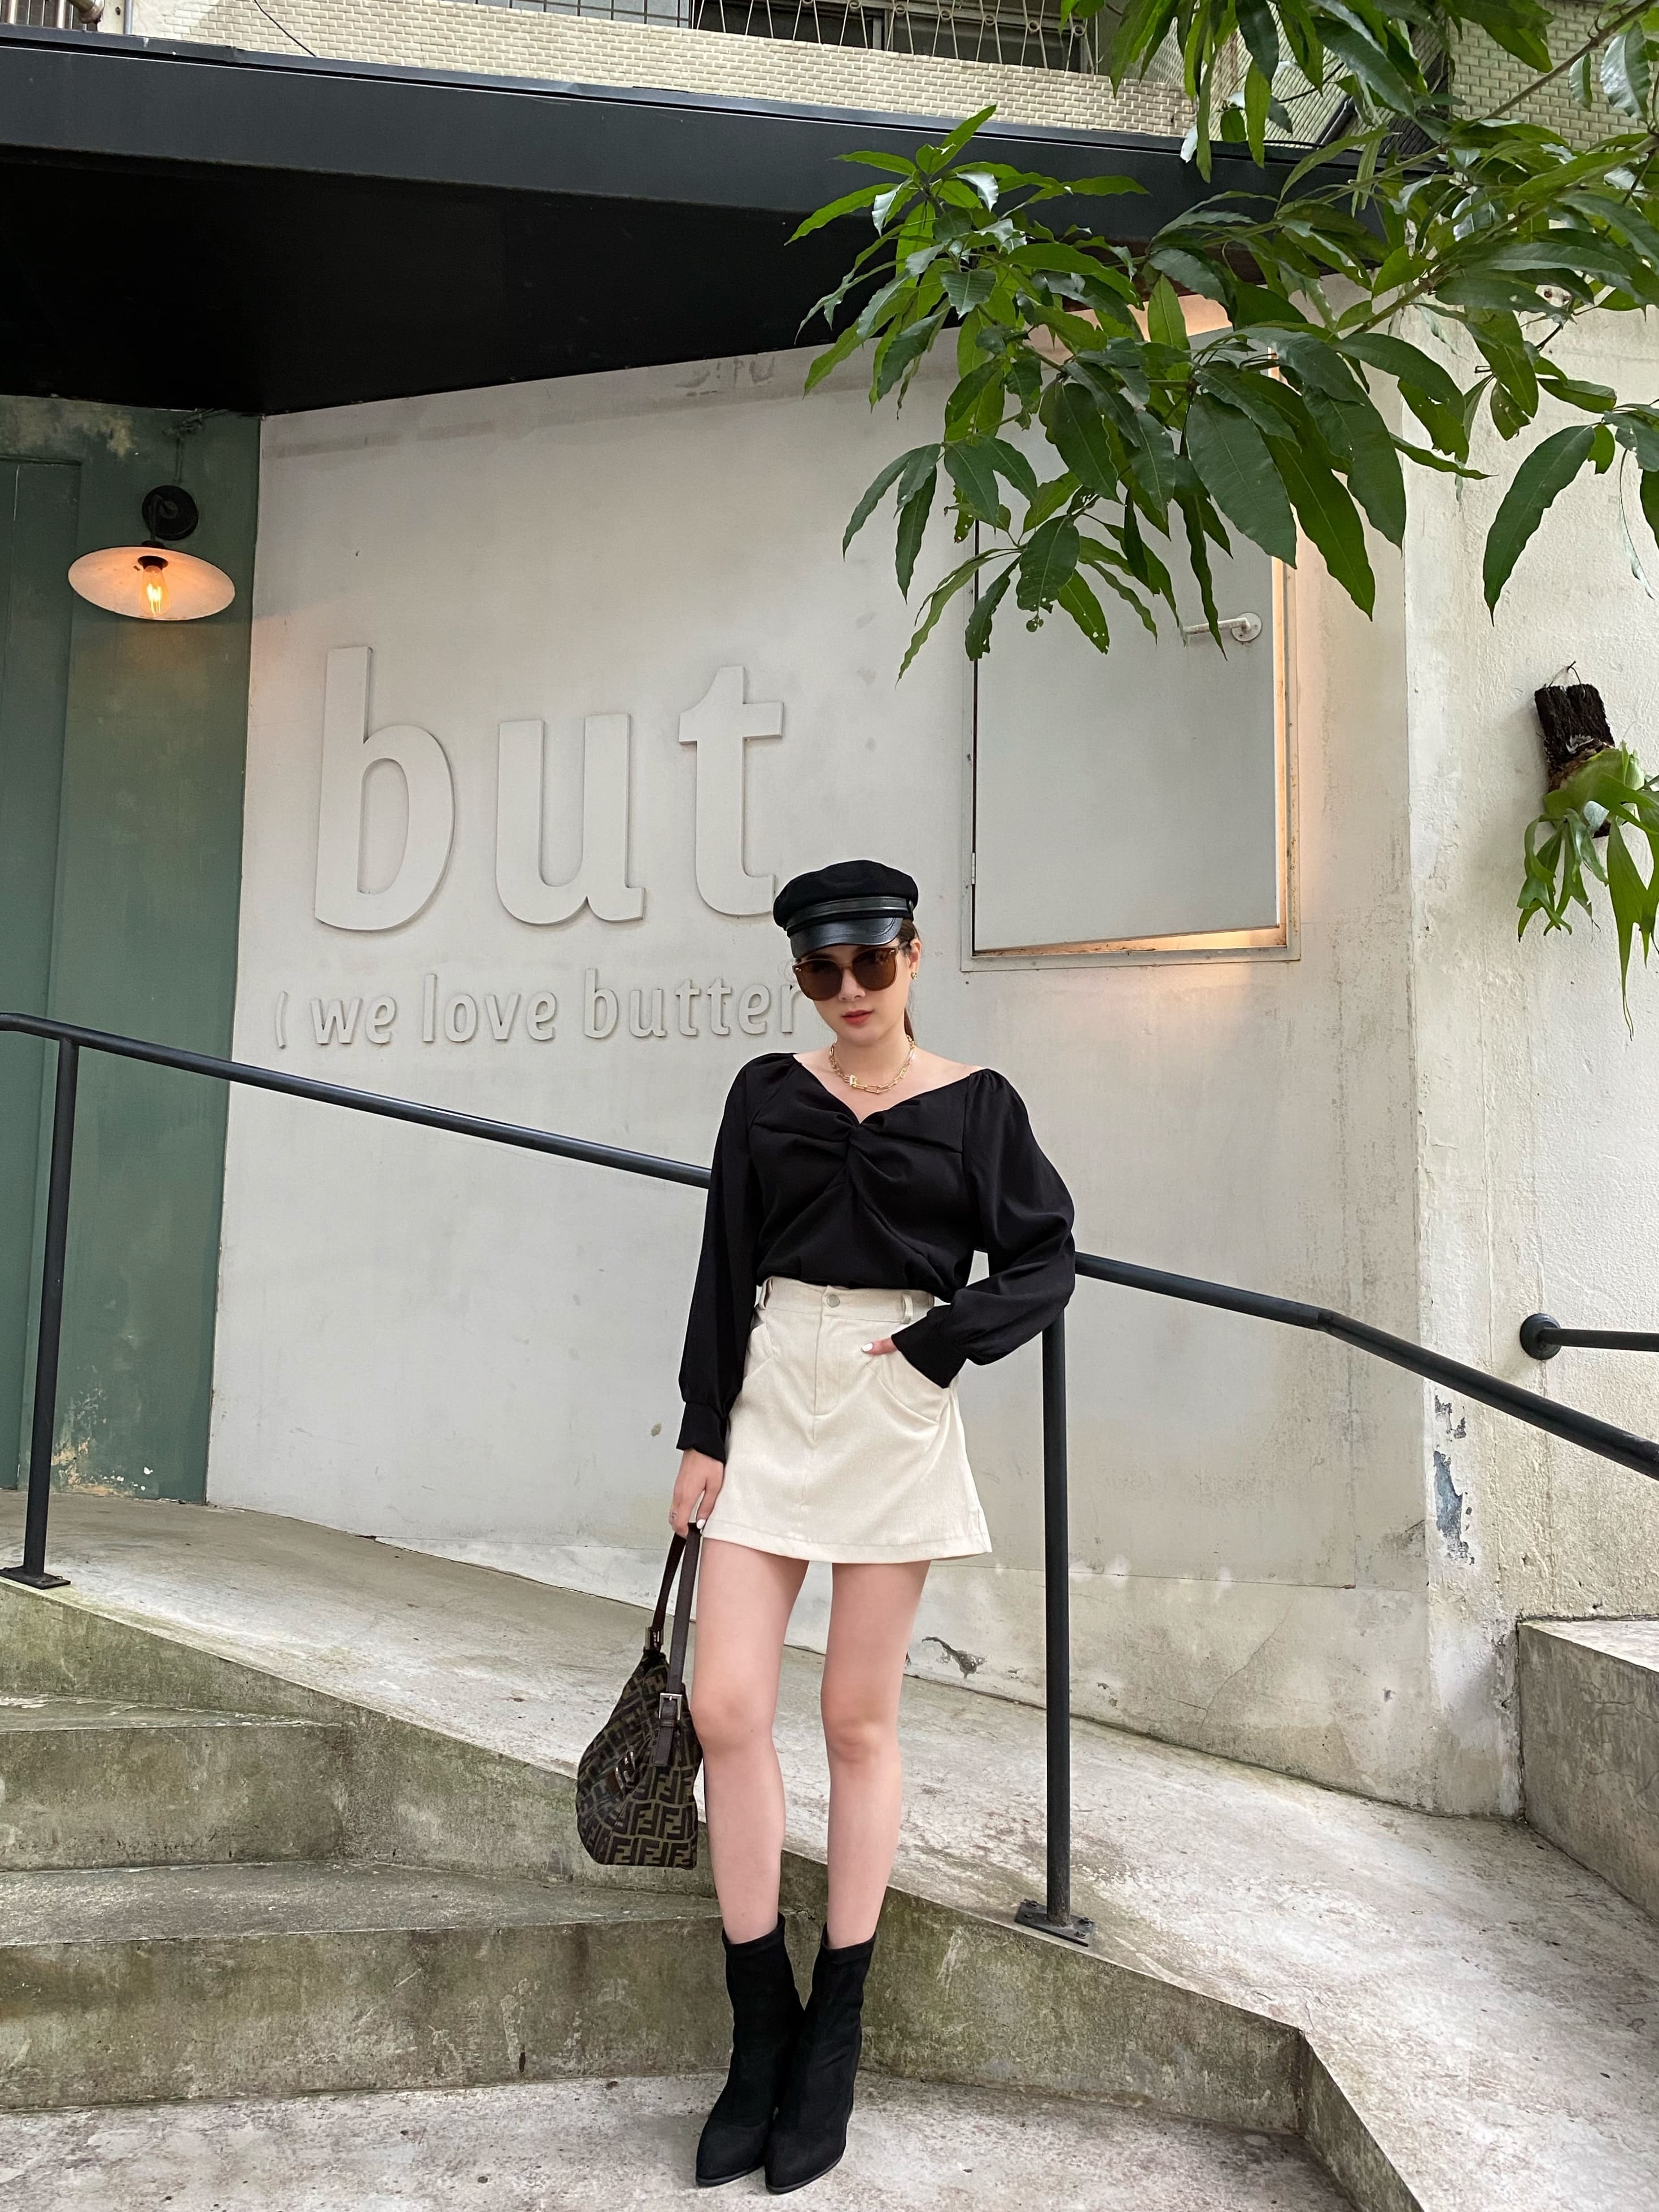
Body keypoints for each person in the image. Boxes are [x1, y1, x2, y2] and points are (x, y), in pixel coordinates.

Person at [670, 859, 1076, 2194]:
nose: (848, 990)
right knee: (725, 1705)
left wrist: (938, 1346)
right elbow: (724, 1261)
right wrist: (700, 1431)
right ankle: (759, 2032)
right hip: (768, 1393)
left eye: (870, 963)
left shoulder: (976, 1105)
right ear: (800, 974)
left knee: (856, 1719)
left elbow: (1045, 1257)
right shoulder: (764, 1093)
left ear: (911, 954)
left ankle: (832, 2039)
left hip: (890, 1402)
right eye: (820, 970)